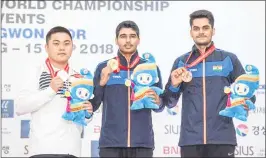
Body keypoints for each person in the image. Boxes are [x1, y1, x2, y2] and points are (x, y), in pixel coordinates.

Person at [160, 10, 256, 158]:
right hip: (190, 141)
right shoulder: (182, 62)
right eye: (196, 28)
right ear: (191, 32)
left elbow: (247, 91)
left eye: (205, 28)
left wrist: (245, 103)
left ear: (213, 30)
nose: (201, 32)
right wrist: (174, 84)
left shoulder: (228, 59)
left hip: (222, 139)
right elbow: (170, 102)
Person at [15, 26, 93, 158]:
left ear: (72, 47)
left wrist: (88, 113)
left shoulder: (79, 77)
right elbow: (20, 106)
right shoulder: (36, 72)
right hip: (42, 150)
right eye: (56, 43)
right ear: (46, 47)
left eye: (66, 44)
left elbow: (83, 115)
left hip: (71, 150)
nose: (62, 48)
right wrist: (50, 90)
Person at [90, 20, 164, 157]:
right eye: (123, 36)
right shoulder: (104, 67)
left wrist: (158, 100)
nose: (128, 40)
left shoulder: (150, 68)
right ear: (116, 40)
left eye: (132, 36)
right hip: (110, 144)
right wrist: (101, 83)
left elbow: (160, 107)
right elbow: (94, 105)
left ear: (138, 40)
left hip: (142, 144)